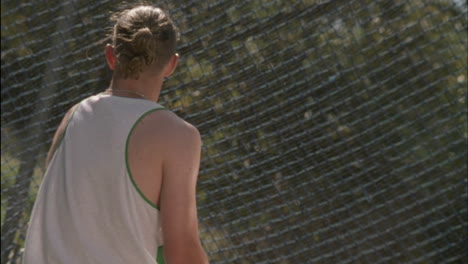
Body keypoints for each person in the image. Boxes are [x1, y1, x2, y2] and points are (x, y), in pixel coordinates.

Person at [23, 4, 209, 264]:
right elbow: (182, 252)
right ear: (171, 65)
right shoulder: (177, 136)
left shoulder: (74, 115)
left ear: (111, 55)